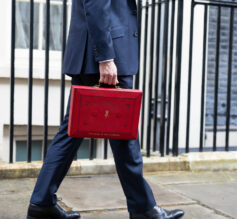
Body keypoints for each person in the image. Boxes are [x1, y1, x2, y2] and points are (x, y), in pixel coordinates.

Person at [26, 0, 185, 219]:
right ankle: (144, 209)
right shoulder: (106, 59)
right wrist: (106, 58)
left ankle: (42, 203)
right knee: (123, 136)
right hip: (105, 57)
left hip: (95, 55)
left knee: (74, 133)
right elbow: (96, 5)